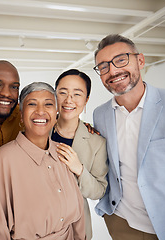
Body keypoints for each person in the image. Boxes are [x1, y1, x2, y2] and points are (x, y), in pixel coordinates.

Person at [92, 34, 165, 240]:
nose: (113, 71)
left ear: (140, 60)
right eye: (103, 67)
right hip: (121, 223)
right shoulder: (99, 114)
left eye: (121, 60)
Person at [0, 82, 86, 240]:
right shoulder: (4, 158)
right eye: (32, 104)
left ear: (56, 114)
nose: (41, 111)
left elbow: (78, 216)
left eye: (48, 104)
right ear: (21, 115)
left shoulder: (63, 152)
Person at [51, 69, 108, 240]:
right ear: (54, 95)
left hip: (74, 225)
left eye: (77, 94)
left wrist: (79, 169)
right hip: (36, 221)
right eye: (63, 92)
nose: (69, 100)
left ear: (86, 100)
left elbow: (99, 190)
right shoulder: (36, 130)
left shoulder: (97, 142)